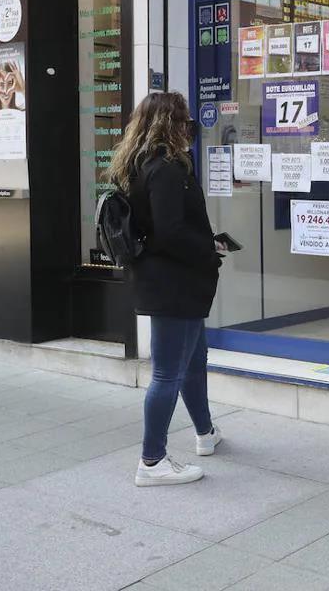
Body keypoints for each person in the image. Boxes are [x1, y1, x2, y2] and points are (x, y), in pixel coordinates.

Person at [107, 92, 225, 487]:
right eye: (185, 121)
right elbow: (172, 232)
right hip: (175, 282)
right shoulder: (167, 169)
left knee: (193, 359)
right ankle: (152, 460)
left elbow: (160, 229)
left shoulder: (138, 165)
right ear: (170, 125)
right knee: (167, 374)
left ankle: (205, 433)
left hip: (171, 280)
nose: (189, 127)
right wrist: (209, 251)